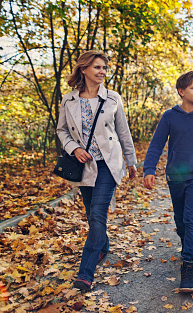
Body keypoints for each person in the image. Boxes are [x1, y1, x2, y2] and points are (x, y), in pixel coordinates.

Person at [57, 51, 138, 292]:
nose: (102, 71)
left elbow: (123, 132)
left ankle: (85, 274)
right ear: (83, 69)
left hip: (108, 164)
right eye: (97, 67)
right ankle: (103, 247)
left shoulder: (112, 98)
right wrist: (74, 149)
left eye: (104, 67)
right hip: (85, 166)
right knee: (91, 213)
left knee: (97, 216)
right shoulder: (69, 100)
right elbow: (62, 131)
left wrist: (131, 161)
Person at [143, 71, 193, 293]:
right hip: (175, 175)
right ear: (181, 91)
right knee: (180, 220)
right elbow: (156, 144)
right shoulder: (169, 116)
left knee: (191, 218)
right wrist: (149, 169)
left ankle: (188, 265)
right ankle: (187, 245)